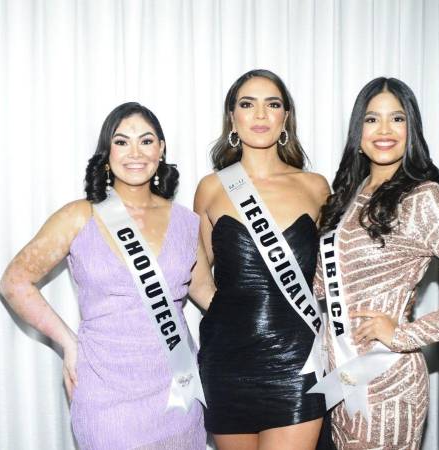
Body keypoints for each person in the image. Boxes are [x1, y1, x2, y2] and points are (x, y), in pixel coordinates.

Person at [0, 102, 214, 450]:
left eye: (146, 141)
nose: (135, 152)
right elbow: (14, 282)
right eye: (121, 141)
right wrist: (69, 343)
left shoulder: (187, 223)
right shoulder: (78, 216)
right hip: (105, 393)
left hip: (178, 391)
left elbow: (206, 293)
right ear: (106, 152)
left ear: (161, 150)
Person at [315, 77, 439, 449]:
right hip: (342, 376)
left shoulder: (423, 198)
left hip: (388, 379)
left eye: (397, 119)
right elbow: (321, 285)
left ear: (411, 129)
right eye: (372, 120)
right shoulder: (347, 196)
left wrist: (403, 335)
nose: (384, 130)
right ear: (359, 130)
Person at [194, 69, 331, 450]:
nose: (260, 114)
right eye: (247, 104)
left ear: (285, 118)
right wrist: (238, 317)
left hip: (296, 364)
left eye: (272, 104)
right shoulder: (211, 189)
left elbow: (333, 275)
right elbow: (199, 277)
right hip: (227, 362)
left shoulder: (316, 187)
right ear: (232, 119)